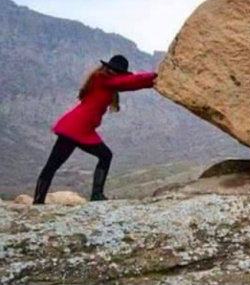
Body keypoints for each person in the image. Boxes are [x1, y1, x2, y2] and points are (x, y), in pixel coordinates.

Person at [33, 55, 157, 204]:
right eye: (112, 69)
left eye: (116, 70)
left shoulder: (109, 82)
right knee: (53, 164)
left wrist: (152, 83)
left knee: (104, 156)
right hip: (73, 128)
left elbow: (129, 85)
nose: (113, 71)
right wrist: (154, 75)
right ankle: (39, 201)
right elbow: (128, 81)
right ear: (107, 67)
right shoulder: (101, 78)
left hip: (83, 129)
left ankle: (96, 195)